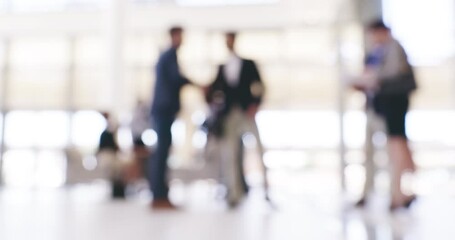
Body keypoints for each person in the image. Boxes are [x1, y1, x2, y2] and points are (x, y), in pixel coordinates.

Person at [352, 20, 417, 210]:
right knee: (371, 152)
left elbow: (388, 77)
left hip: (392, 109)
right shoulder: (374, 52)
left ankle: (398, 195)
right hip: (376, 108)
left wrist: (373, 82)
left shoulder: (394, 49)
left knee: (395, 150)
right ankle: (371, 193)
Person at [206, 32, 268, 207]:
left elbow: (260, 86)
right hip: (229, 116)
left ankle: (266, 191)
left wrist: (255, 105)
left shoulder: (248, 64)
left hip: (246, 112)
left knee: (259, 150)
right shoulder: (222, 67)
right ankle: (234, 193)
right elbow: (213, 91)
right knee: (230, 154)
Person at [148, 26, 191, 209]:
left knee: (162, 152)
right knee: (162, 153)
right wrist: (196, 84)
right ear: (173, 36)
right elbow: (176, 79)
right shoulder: (169, 55)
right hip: (164, 110)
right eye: (179, 35)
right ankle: (159, 196)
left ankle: (160, 194)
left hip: (163, 110)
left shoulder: (166, 56)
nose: (181, 39)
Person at [97, 112, 125, 199]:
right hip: (106, 154)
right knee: (110, 173)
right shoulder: (105, 133)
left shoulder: (111, 131)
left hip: (111, 154)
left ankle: (116, 191)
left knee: (116, 173)